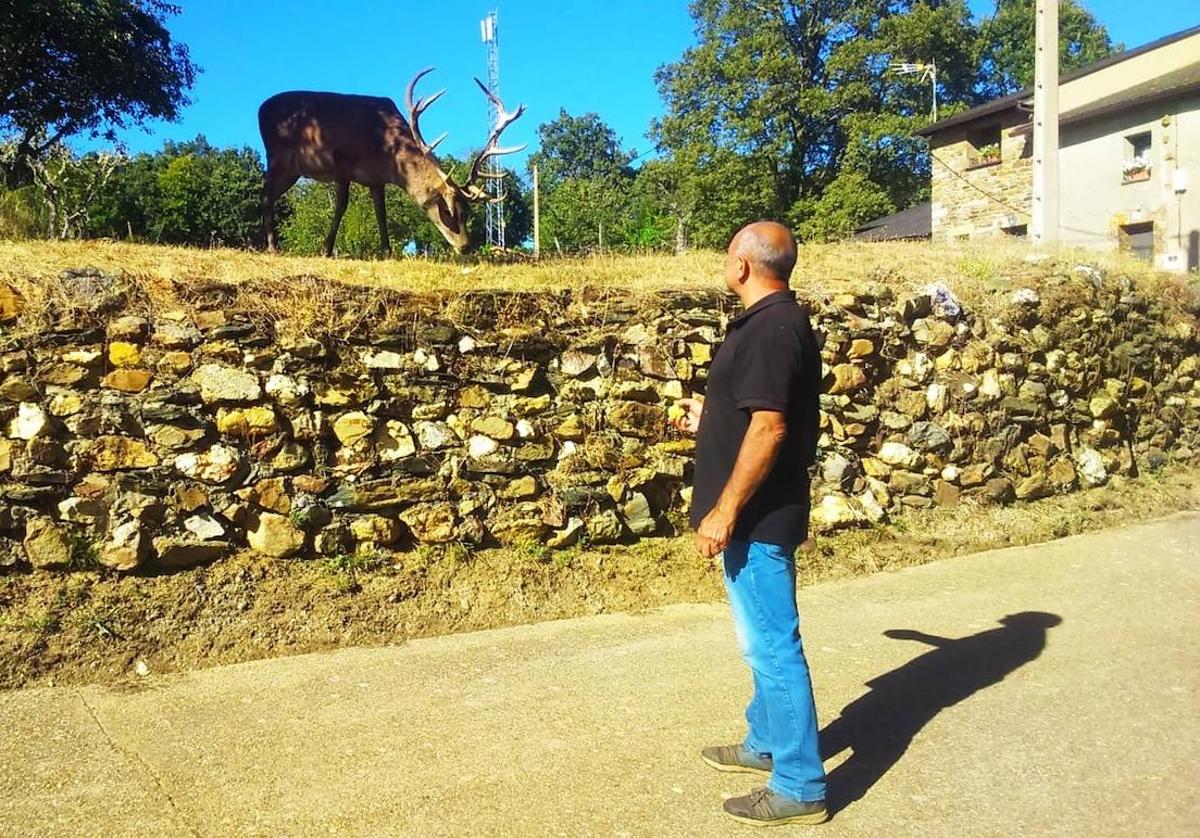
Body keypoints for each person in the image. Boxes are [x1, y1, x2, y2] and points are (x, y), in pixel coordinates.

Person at [671, 221, 826, 826]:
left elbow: (770, 428)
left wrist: (724, 511)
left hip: (756, 518)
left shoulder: (769, 330)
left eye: (726, 252)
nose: (724, 263)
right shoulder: (777, 324)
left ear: (742, 265)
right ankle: (765, 743)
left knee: (771, 646)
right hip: (756, 516)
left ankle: (800, 784)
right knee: (759, 641)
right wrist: (709, 415)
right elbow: (757, 412)